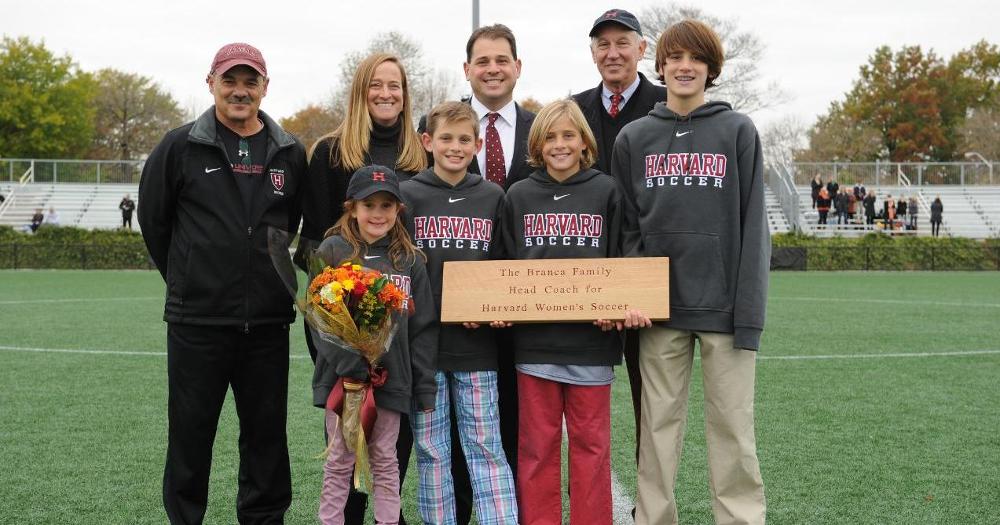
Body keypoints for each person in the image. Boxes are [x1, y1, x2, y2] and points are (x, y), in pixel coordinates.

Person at [138, 42, 306, 524]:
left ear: (265, 88)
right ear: (210, 82)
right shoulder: (179, 146)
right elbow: (154, 221)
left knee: (266, 438)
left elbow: (292, 223)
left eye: (250, 82)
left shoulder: (290, 151)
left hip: (268, 324)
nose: (239, 91)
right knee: (190, 436)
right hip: (198, 323)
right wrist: (190, 278)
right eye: (229, 80)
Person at [612, 20, 769, 525]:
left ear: (710, 68)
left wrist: (749, 313)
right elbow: (627, 229)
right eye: (674, 57)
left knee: (733, 431)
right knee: (656, 431)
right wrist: (637, 295)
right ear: (659, 65)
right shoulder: (634, 137)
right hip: (660, 313)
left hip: (725, 310)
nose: (684, 66)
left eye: (695, 58)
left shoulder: (737, 130)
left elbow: (753, 226)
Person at [295, 52, 426, 524]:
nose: (386, 93)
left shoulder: (420, 154)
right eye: (376, 84)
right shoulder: (330, 153)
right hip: (342, 333)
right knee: (343, 448)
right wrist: (338, 335)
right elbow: (315, 249)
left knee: (392, 447)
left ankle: (388, 516)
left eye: (395, 85)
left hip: (399, 337)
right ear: (359, 91)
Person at [502, 99, 646, 524]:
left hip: (591, 345)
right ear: (537, 144)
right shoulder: (519, 195)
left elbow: (622, 256)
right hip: (535, 345)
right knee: (537, 448)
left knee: (591, 448)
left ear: (585, 142)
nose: (560, 144)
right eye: (550, 137)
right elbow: (505, 265)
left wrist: (617, 304)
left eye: (569, 135)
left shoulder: (606, 190)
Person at [401, 101, 518, 525]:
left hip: (477, 347)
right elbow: (400, 269)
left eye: (464, 139)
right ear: (427, 142)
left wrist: (495, 307)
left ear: (478, 145)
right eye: (446, 138)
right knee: (432, 451)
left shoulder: (492, 196)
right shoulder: (408, 194)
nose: (455, 147)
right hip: (424, 349)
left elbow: (503, 265)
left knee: (485, 445)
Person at [312, 165, 437, 525]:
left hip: (391, 380)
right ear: (352, 207)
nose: (378, 213)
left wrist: (423, 384)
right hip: (344, 382)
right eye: (369, 205)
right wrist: (350, 364)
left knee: (385, 461)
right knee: (339, 462)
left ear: (399, 210)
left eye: (387, 205)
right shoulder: (332, 250)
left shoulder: (410, 259)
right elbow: (319, 318)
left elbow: (423, 329)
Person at [572, 6, 667, 464]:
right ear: (593, 53)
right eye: (603, 45)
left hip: (644, 267)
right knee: (577, 399)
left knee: (651, 399)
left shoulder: (667, 105)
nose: (613, 53)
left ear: (642, 49)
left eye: (622, 43)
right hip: (586, 273)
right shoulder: (573, 110)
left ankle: (652, 493)